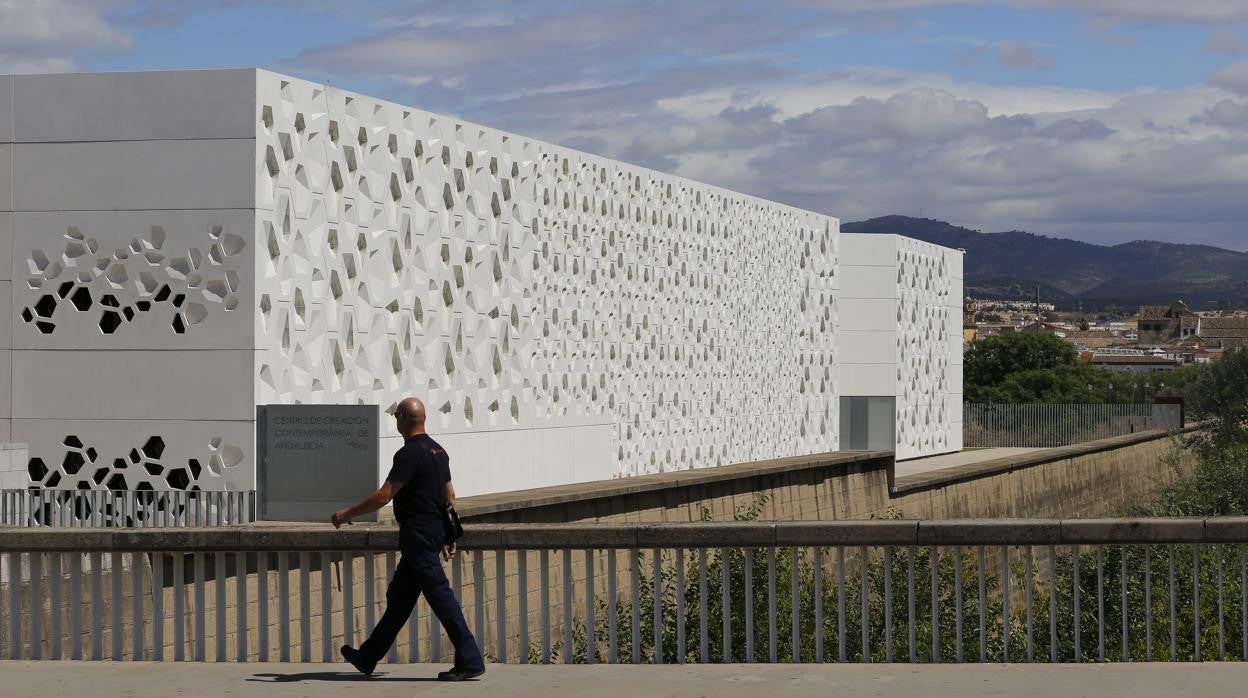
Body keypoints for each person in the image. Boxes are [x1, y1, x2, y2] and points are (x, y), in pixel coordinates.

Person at [331, 396, 485, 682]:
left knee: (440, 595)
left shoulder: (409, 454)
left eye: (396, 417)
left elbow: (385, 494)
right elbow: (449, 496)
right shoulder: (439, 451)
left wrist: (347, 513)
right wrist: (448, 535)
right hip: (431, 532)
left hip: (418, 536)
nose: (396, 422)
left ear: (403, 418)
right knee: (399, 600)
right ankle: (368, 656)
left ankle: (471, 659)